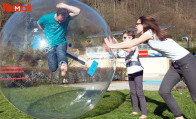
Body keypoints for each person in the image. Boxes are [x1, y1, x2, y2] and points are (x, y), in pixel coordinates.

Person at [104, 16, 196, 119]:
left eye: (137, 24)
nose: (135, 26)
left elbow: (132, 43)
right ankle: (179, 117)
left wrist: (112, 45)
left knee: (195, 97)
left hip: (187, 62)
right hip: (176, 65)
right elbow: (128, 44)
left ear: (143, 25)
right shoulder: (148, 36)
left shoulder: (149, 33)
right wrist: (114, 44)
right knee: (164, 91)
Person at [37, 3, 80, 76]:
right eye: (58, 21)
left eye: (62, 21)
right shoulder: (46, 18)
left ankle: (63, 65)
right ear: (56, 14)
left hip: (61, 42)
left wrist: (64, 6)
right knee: (53, 68)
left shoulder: (67, 18)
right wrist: (43, 30)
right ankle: (57, 64)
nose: (59, 22)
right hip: (49, 44)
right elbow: (39, 22)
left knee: (61, 52)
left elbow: (77, 11)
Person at [116, 31, 147, 119]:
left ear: (131, 38)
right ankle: (135, 110)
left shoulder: (134, 45)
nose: (123, 39)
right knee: (132, 92)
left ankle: (144, 113)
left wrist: (120, 46)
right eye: (123, 37)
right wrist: (110, 48)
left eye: (125, 37)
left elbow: (129, 50)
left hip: (137, 70)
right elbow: (118, 55)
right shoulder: (124, 48)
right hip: (130, 71)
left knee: (139, 92)